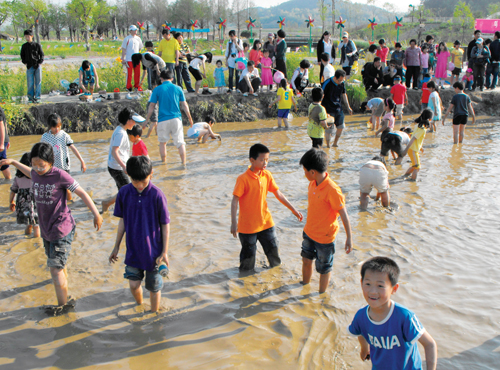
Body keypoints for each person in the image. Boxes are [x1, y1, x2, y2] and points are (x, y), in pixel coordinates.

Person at [0, 142, 103, 308]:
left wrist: (96, 214)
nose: (38, 169)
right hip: (46, 229)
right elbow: (28, 171)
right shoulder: (34, 173)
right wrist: (12, 162)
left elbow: (82, 192)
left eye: (42, 165)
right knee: (57, 265)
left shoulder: (60, 175)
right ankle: (65, 287)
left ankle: (63, 306)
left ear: (51, 162)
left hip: (62, 228)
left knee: (55, 269)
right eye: (35, 165)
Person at [348, 257, 437, 369]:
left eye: (380, 286)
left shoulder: (404, 317)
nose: (373, 291)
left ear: (394, 289)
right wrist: (364, 348)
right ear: (361, 283)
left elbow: (430, 344)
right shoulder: (361, 316)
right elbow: (359, 331)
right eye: (368, 284)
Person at [109, 156, 169, 313]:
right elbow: (122, 221)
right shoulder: (124, 193)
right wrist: (116, 246)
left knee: (154, 287)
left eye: (144, 181)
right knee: (133, 285)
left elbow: (165, 224)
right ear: (128, 175)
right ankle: (140, 305)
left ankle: (154, 315)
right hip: (133, 251)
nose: (140, 186)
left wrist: (164, 251)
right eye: (136, 182)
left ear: (151, 174)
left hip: (154, 253)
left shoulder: (157, 195)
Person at [230, 143, 303, 271]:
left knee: (274, 253)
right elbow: (235, 200)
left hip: (266, 223)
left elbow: (278, 194)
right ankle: (245, 283)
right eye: (262, 160)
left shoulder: (267, 175)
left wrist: (294, 210)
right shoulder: (243, 179)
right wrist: (233, 223)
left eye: (267, 160)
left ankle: (276, 276)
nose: (265, 163)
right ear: (252, 160)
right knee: (248, 260)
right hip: (248, 226)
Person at [299, 148, 352, 293]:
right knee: (306, 260)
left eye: (304, 171)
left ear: (312, 172)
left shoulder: (332, 190)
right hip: (309, 232)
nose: (304, 174)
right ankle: (304, 286)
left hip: (325, 238)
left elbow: (344, 214)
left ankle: (321, 295)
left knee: (324, 267)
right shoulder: (312, 184)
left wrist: (349, 237)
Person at [146, 70, 193, 167]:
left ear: (161, 78)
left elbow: (151, 106)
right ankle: (183, 164)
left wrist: (147, 120)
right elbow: (184, 105)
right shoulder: (178, 88)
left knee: (162, 143)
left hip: (163, 119)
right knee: (180, 143)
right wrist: (190, 118)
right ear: (172, 78)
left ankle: (164, 164)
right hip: (176, 119)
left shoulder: (157, 89)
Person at [102, 108, 146, 213]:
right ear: (128, 120)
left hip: (116, 166)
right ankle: (107, 202)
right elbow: (114, 151)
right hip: (117, 168)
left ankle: (122, 210)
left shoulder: (120, 130)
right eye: (133, 121)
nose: (135, 123)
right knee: (128, 190)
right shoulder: (121, 133)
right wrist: (123, 166)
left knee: (123, 191)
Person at [41, 113, 87, 201]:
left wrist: (82, 161)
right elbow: (42, 152)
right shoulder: (45, 137)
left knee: (67, 187)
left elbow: (73, 148)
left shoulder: (64, 135)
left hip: (64, 166)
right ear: (50, 126)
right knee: (53, 187)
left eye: (59, 126)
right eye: (54, 127)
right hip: (51, 167)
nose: (57, 129)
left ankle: (69, 203)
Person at [9, 152, 39, 237]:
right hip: (35, 201)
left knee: (28, 224)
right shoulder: (36, 176)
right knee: (36, 225)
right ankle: (37, 245)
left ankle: (27, 239)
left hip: (23, 203)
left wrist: (11, 202)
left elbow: (13, 191)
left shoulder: (18, 177)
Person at [321, 69, 353, 147]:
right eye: (339, 80)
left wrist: (348, 107)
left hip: (338, 108)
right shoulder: (327, 83)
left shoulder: (342, 83)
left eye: (342, 80)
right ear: (335, 77)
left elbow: (344, 94)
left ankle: (335, 144)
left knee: (341, 127)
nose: (340, 82)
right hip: (328, 109)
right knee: (328, 129)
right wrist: (320, 108)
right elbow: (321, 95)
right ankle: (328, 145)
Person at [401, 109, 432, 180]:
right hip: (413, 150)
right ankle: (413, 182)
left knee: (414, 166)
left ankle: (404, 176)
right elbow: (413, 138)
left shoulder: (419, 126)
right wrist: (406, 149)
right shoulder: (422, 129)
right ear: (429, 119)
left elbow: (416, 138)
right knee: (417, 167)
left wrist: (421, 147)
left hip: (413, 149)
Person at [20, 29, 44, 103]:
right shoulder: (24, 46)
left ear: (32, 36)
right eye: (26, 37)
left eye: (28, 36)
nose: (27, 38)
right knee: (30, 83)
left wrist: (40, 62)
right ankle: (30, 98)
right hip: (29, 66)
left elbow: (42, 54)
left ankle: (37, 97)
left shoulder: (37, 45)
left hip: (37, 66)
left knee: (38, 82)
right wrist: (25, 62)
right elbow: (22, 55)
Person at [121, 25, 144, 91]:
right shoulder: (127, 39)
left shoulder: (138, 39)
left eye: (136, 30)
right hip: (129, 59)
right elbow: (124, 49)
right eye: (134, 30)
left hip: (136, 59)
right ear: (130, 31)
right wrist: (123, 59)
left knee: (137, 73)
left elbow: (140, 48)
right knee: (129, 74)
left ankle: (137, 86)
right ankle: (128, 87)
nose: (135, 31)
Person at [0, 106, 11, 180]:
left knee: (3, 162)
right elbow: (5, 124)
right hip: (4, 139)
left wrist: (1, 144)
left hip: (1, 141)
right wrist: (7, 139)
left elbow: (1, 126)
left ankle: (9, 180)